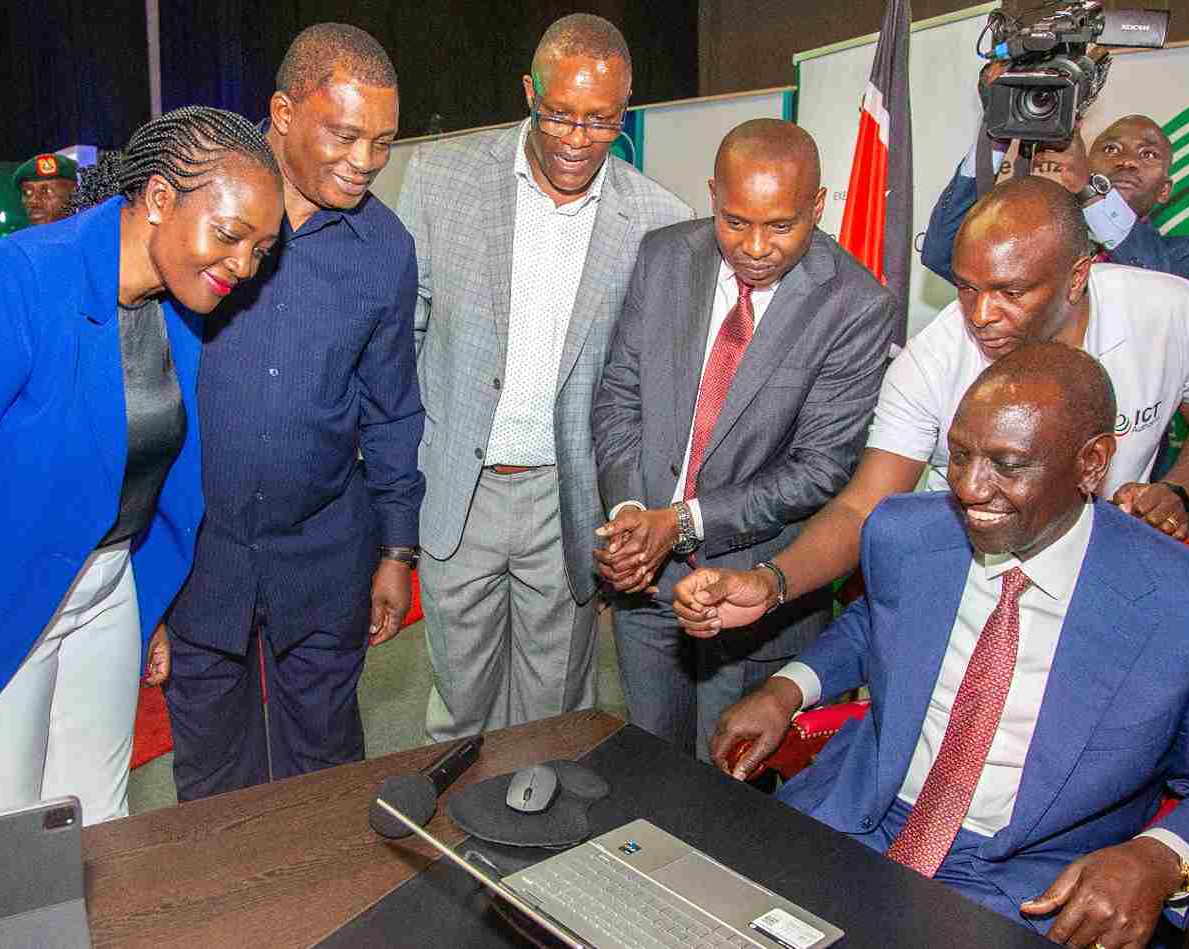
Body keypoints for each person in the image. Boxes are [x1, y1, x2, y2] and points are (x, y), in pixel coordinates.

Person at [714, 344, 1189, 946]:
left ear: (1092, 463)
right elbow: (874, 624)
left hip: (1039, 881)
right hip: (859, 815)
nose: (968, 488)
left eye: (1007, 465)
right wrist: (787, 687)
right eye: (959, 455)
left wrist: (1159, 859)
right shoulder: (906, 532)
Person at [0, 107, 284, 825]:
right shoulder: (14, 282)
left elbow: (144, 474)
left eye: (261, 249)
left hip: (107, 591)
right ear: (159, 199)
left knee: (97, 821)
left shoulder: (180, 306)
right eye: (229, 235)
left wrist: (144, 604)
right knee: (1, 843)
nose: (243, 267)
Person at [674, 177, 1189, 637]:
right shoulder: (932, 361)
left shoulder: (1173, 316)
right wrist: (771, 582)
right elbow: (861, 508)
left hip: (1107, 586)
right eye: (968, 287)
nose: (981, 315)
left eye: (1011, 291)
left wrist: (1177, 490)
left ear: (1077, 276)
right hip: (968, 593)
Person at [400, 13, 691, 741]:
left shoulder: (659, 220)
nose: (574, 138)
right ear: (529, 90)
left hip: (566, 502)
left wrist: (625, 512)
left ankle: (533, 846)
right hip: (455, 494)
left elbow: (647, 395)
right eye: (558, 113)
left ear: (625, 110)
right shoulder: (441, 181)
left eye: (600, 122)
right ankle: (455, 848)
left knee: (553, 718)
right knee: (458, 712)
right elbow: (401, 337)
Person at [165, 24, 423, 800]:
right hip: (199, 561)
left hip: (324, 560)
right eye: (346, 135)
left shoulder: (385, 248)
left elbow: (392, 412)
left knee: (327, 778)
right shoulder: (198, 214)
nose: (366, 161)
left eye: (383, 141)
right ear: (281, 112)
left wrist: (397, 549)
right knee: (213, 784)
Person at [590, 120, 894, 759]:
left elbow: (819, 469)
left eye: (781, 225)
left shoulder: (856, 305)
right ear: (711, 196)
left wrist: (684, 522)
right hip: (645, 584)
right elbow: (619, 393)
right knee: (649, 767)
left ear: (817, 206)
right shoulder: (665, 256)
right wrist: (629, 517)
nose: (755, 246)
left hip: (754, 594)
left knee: (730, 802)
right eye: (735, 222)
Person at [922, 66, 1189, 291]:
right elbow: (942, 254)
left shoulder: (1187, 255)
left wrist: (1089, 189)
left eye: (1148, 154)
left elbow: (1169, 301)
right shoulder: (1044, 240)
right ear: (1089, 159)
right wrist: (997, 133)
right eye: (1111, 149)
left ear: (1165, 190)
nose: (1127, 161)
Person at [15, 152, 80, 227]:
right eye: (27, 192)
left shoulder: (93, 236)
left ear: (74, 195)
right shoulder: (16, 238)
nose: (33, 201)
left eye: (46, 191)